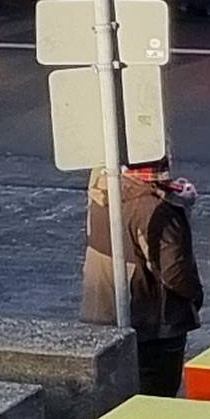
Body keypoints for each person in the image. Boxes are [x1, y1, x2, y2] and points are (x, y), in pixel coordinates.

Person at [81, 156, 201, 395]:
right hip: (153, 321)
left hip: (103, 311)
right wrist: (194, 298)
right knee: (156, 399)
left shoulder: (103, 190)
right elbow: (175, 272)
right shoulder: (153, 209)